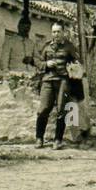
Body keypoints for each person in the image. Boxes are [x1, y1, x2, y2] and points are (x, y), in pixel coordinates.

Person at [35, 22, 80, 150]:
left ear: (63, 32)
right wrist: (46, 64)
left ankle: (58, 139)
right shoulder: (46, 46)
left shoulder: (69, 47)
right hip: (48, 80)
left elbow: (77, 62)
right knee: (43, 109)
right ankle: (39, 138)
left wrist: (71, 68)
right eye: (54, 32)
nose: (56, 34)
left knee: (61, 110)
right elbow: (38, 61)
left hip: (63, 81)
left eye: (58, 32)